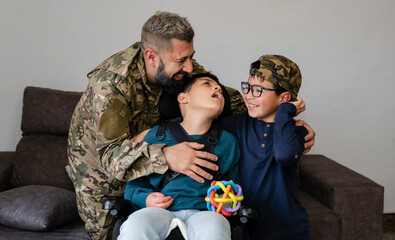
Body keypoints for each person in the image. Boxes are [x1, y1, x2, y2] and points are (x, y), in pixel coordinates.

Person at [67, 10, 315, 239]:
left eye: (191, 57)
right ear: (151, 57)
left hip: (184, 185)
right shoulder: (110, 87)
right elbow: (109, 157)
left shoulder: (178, 63)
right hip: (103, 170)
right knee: (122, 230)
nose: (189, 67)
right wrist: (165, 155)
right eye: (182, 61)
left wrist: (285, 120)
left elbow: (232, 99)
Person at [118, 73, 240, 240]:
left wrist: (227, 202)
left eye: (220, 89)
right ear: (183, 98)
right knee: (135, 225)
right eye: (206, 84)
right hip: (158, 211)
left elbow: (235, 187)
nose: (217, 88)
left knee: (216, 227)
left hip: (204, 213)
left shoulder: (228, 142)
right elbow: (133, 186)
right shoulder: (156, 136)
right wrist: (146, 199)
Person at [221, 55, 312, 239]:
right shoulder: (236, 125)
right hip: (246, 227)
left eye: (258, 90)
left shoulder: (297, 132)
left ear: (284, 98)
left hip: (288, 229)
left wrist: (286, 111)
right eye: (247, 87)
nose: (247, 96)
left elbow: (284, 155)